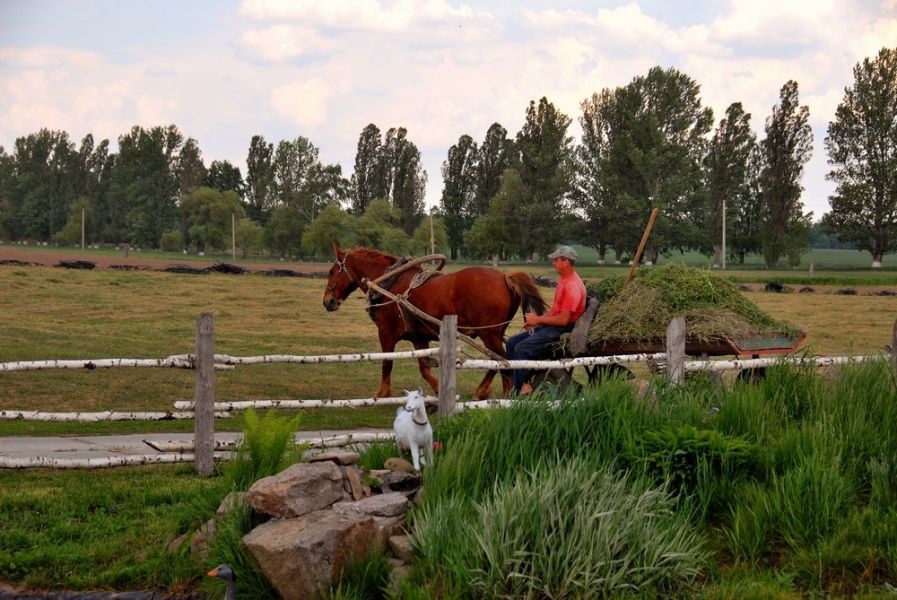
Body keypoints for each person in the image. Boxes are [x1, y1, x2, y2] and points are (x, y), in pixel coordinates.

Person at [506, 245, 587, 395]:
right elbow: (555, 311)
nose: (553, 263)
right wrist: (537, 321)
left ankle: (518, 391)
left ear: (565, 262)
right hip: (555, 326)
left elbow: (563, 320)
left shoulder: (572, 286)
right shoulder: (564, 279)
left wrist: (538, 321)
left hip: (562, 328)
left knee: (521, 348)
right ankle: (523, 382)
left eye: (556, 260)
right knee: (511, 343)